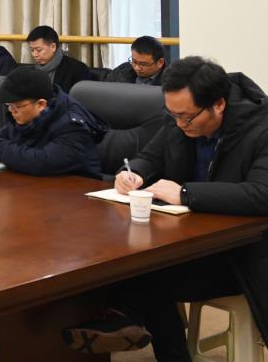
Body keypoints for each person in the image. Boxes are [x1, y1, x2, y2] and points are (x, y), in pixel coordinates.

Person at [63, 58, 268, 359]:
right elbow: (150, 156)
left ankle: (126, 319)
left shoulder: (260, 129)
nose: (180, 124)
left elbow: (262, 194)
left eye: (187, 117)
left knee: (148, 277)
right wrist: (134, 173)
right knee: (127, 265)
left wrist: (185, 193)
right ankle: (122, 318)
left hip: (242, 254)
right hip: (188, 239)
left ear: (219, 105)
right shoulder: (179, 121)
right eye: (173, 115)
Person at [0, 66, 105, 178]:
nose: (11, 110)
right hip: (38, 190)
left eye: (16, 106)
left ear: (40, 104)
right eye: (9, 105)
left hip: (76, 197)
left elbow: (42, 162)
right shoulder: (27, 115)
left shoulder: (72, 125)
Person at [26, 25, 91, 93]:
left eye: (39, 50)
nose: (34, 54)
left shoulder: (77, 69)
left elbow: (81, 97)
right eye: (32, 50)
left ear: (53, 47)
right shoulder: (31, 71)